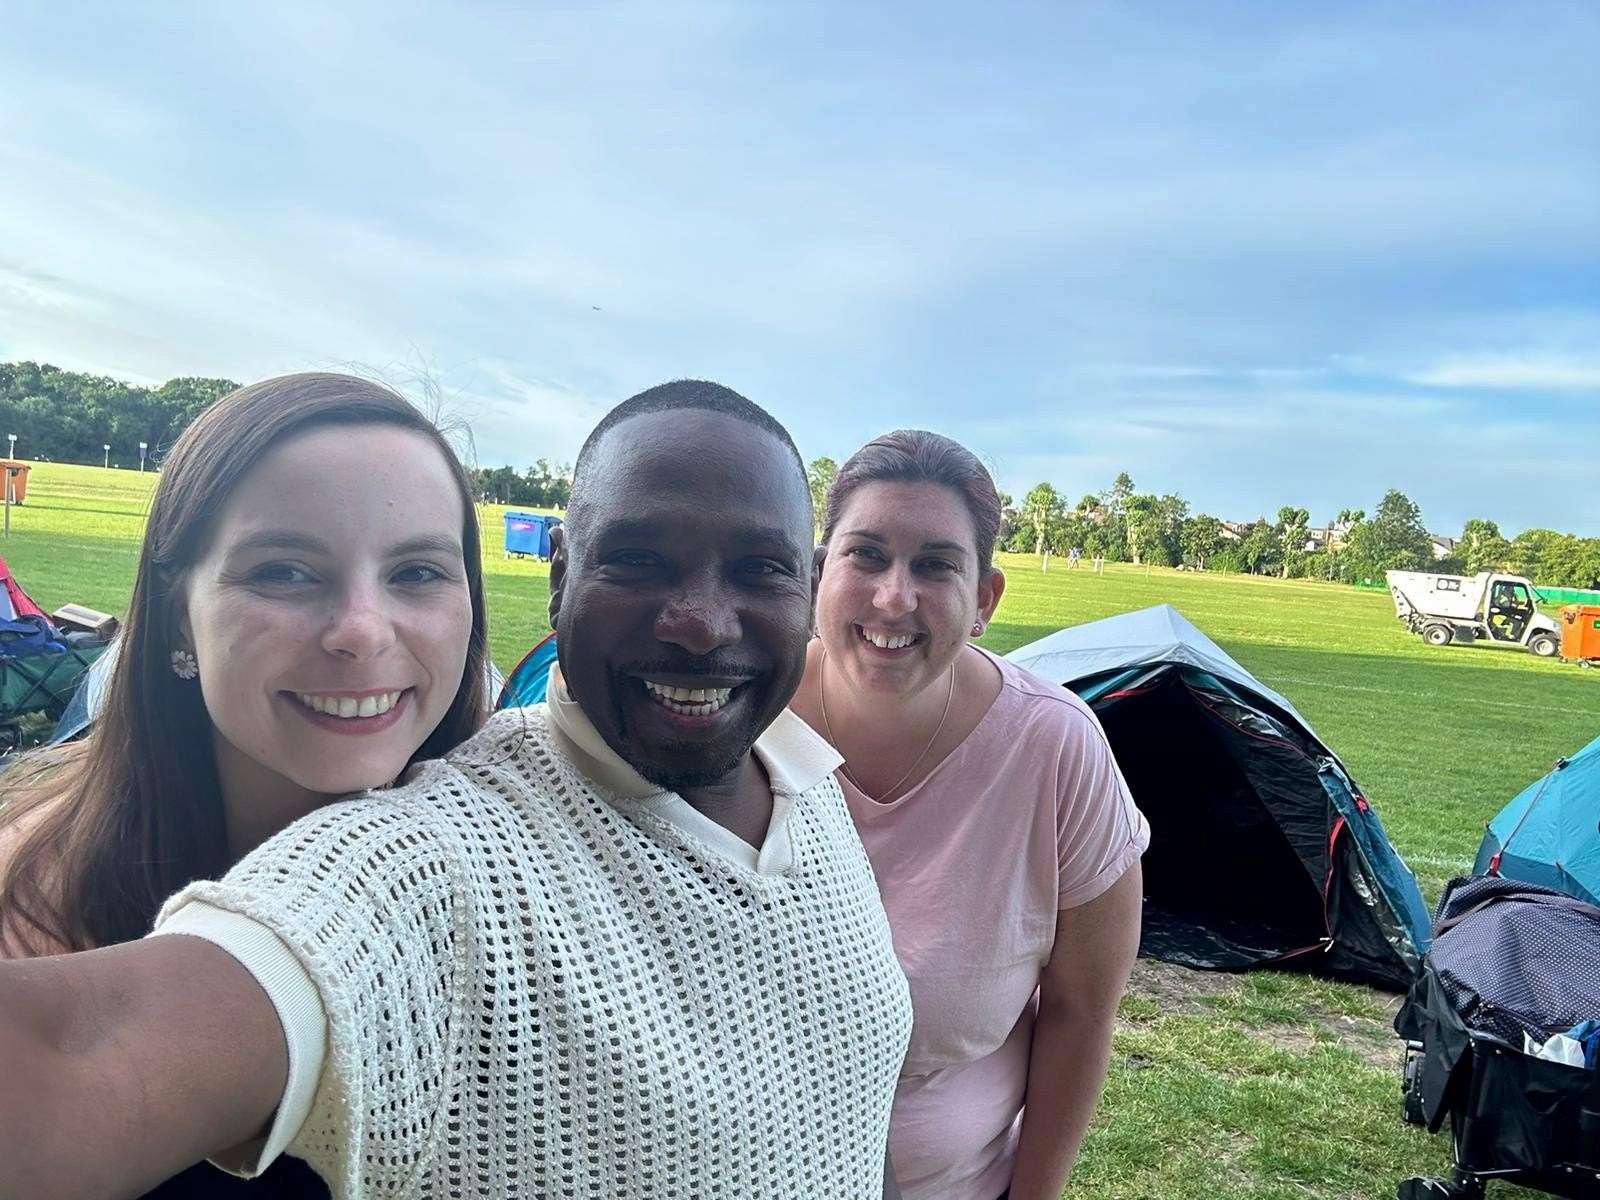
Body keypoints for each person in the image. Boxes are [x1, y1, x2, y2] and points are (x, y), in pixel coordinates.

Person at [0, 381, 911, 1200]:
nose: (703, 624)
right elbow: (81, 1055)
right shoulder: (427, 860)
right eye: (636, 560)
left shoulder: (807, 776)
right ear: (558, 578)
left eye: (417, 572)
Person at [0, 371, 490, 1197]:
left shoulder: (520, 864)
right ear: (177, 618)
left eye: (416, 574)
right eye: (286, 572)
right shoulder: (38, 889)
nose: (362, 631)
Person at [789, 429, 1150, 1200]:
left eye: (935, 565)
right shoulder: (741, 710)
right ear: (818, 574)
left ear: (984, 598)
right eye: (866, 555)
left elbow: (1081, 1013)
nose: (895, 597)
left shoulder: (1054, 747)